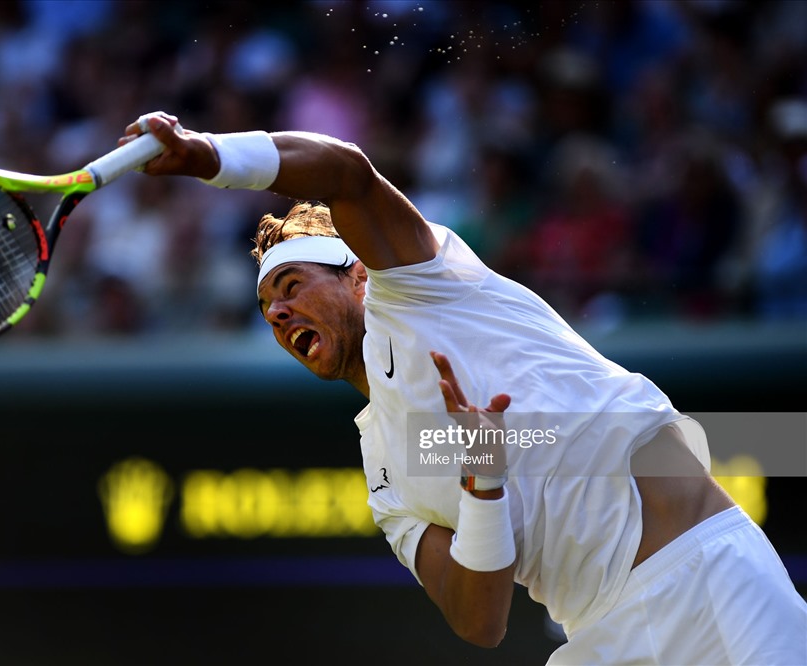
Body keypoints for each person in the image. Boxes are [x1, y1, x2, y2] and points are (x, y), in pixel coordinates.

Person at [121, 111, 807, 663]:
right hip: (599, 641)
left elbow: (347, 174)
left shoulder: (418, 286)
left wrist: (209, 154)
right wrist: (484, 481)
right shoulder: (384, 468)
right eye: (269, 307)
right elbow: (478, 620)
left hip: (709, 573)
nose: (278, 312)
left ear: (357, 275)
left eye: (293, 286)